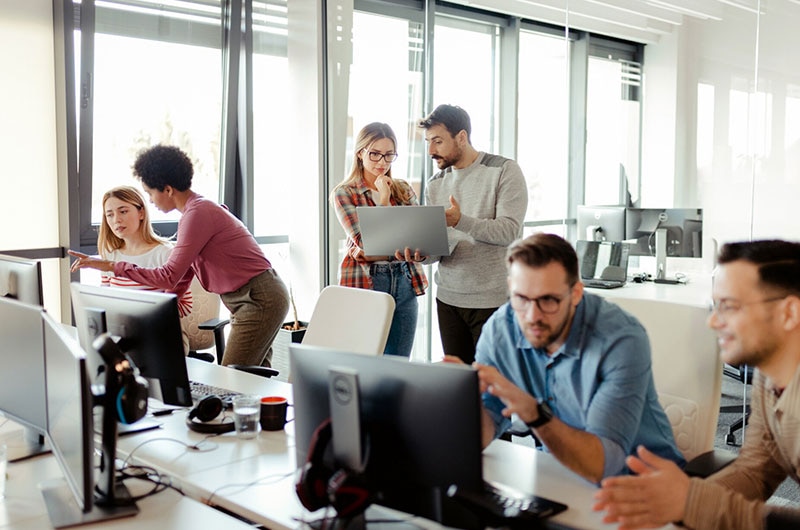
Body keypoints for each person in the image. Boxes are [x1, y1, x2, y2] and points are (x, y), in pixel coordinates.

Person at [594, 240, 800, 530]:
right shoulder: (771, 376)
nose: (713, 321)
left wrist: (693, 503)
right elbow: (754, 472)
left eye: (729, 306)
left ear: (789, 313)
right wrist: (674, 506)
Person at [472, 232, 683, 484]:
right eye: (521, 298)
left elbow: (604, 466)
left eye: (548, 300)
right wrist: (455, 402)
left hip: (642, 483)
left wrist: (535, 414)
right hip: (558, 474)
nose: (531, 316)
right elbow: (488, 424)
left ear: (576, 294)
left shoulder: (620, 339)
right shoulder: (500, 330)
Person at [70, 144, 290, 368]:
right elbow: (181, 276)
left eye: (150, 193)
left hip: (258, 298)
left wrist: (111, 266)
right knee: (253, 380)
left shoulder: (197, 214)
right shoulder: (195, 213)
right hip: (252, 297)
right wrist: (158, 313)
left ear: (167, 190)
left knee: (232, 377)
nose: (151, 201)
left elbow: (167, 275)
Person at [416, 104, 528, 364]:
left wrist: (461, 221)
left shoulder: (504, 170)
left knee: (493, 387)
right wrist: (420, 255)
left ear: (462, 137)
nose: (431, 151)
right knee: (459, 386)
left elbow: (509, 231)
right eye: (427, 142)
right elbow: (438, 248)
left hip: (494, 300)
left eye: (438, 141)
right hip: (448, 299)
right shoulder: (435, 184)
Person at [330, 122, 428, 357]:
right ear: (360, 153)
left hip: (405, 279)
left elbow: (419, 241)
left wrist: (375, 249)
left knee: (398, 363)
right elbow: (368, 243)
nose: (382, 162)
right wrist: (383, 201)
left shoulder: (403, 189)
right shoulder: (345, 193)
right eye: (374, 154)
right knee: (366, 361)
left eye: (388, 155)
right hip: (368, 282)